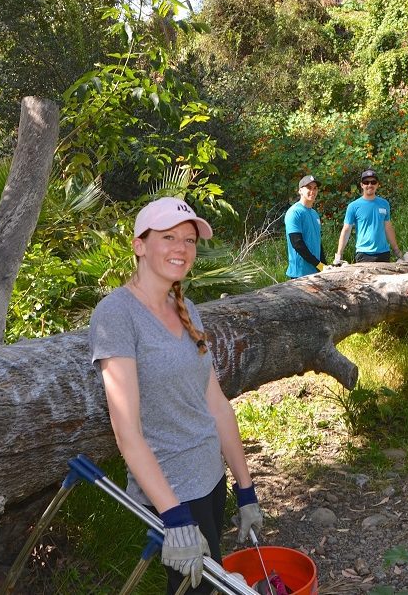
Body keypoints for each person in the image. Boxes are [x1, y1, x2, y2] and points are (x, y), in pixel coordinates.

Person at [88, 197, 264, 593]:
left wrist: (246, 487)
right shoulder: (116, 315)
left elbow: (215, 404)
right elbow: (127, 432)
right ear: (139, 245)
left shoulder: (187, 309)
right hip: (172, 494)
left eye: (189, 239)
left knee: (208, 585)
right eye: (168, 237)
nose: (181, 248)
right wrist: (174, 516)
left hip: (210, 480)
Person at [333, 168, 408, 265]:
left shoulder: (384, 204)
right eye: (366, 182)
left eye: (373, 182)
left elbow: (388, 228)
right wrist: (339, 255)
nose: (370, 185)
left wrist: (397, 251)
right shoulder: (353, 206)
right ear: (362, 185)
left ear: (377, 185)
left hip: (384, 253)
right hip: (364, 254)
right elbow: (346, 230)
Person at [285, 174, 325, 278]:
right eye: (309, 188)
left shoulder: (314, 213)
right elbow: (297, 243)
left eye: (315, 188)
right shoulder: (294, 212)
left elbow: (317, 242)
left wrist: (324, 265)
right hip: (300, 273)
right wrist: (318, 264)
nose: (313, 191)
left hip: (316, 271)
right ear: (300, 191)